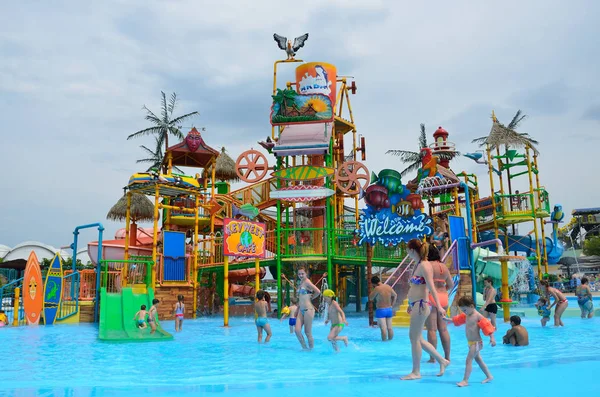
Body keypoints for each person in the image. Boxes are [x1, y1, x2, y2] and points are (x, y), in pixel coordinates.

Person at [401, 239, 450, 381]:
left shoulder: (425, 265)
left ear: (411, 250)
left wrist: (439, 306)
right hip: (416, 304)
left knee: (414, 338)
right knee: (418, 338)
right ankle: (442, 360)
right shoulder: (418, 265)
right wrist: (410, 304)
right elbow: (415, 287)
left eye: (407, 249)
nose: (406, 252)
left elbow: (430, 286)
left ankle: (416, 372)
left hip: (422, 304)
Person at [445, 296, 495, 387]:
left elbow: (487, 326)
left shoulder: (478, 316)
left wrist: (492, 338)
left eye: (465, 310)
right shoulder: (467, 315)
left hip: (476, 342)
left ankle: (465, 380)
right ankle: (489, 376)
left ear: (472, 306)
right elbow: (457, 320)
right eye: (463, 310)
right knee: (479, 360)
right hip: (471, 343)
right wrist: (446, 319)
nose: (464, 312)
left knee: (468, 360)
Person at [425, 245, 454, 362]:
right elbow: (451, 285)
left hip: (431, 297)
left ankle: (433, 358)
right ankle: (447, 357)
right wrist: (442, 290)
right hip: (443, 298)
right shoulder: (444, 267)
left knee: (432, 330)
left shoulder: (427, 266)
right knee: (443, 329)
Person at [295, 266, 321, 350]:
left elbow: (318, 291)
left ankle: (311, 350)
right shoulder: (301, 283)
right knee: (297, 330)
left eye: (302, 273)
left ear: (306, 274)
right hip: (301, 310)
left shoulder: (307, 282)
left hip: (308, 310)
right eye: (299, 274)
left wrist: (311, 297)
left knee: (307, 332)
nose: (301, 275)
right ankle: (304, 348)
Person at [369, 275, 397, 341]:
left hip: (380, 310)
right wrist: (392, 305)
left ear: (373, 283)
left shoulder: (377, 288)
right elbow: (395, 295)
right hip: (389, 309)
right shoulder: (388, 287)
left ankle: (384, 343)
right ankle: (390, 342)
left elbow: (370, 298)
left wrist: (374, 289)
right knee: (390, 328)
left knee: (383, 328)